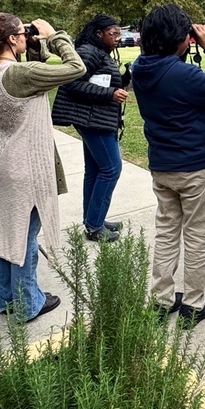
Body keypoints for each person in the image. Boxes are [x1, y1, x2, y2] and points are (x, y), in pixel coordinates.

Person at [0, 13, 85, 321]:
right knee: (25, 235)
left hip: (4, 159)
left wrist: (34, 43)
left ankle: (4, 298)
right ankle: (28, 303)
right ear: (11, 39)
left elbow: (35, 71)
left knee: (5, 231)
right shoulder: (21, 74)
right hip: (26, 165)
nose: (27, 35)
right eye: (23, 32)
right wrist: (54, 35)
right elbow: (76, 67)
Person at [131, 4, 205, 326]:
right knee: (197, 235)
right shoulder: (182, 73)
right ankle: (193, 304)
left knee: (166, 232)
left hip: (162, 165)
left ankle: (161, 300)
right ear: (179, 38)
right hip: (194, 166)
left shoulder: (140, 68)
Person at [51, 15, 128, 243]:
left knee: (95, 170)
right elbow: (73, 83)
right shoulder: (88, 51)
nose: (117, 39)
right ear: (98, 33)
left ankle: (94, 220)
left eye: (118, 35)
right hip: (92, 120)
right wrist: (110, 94)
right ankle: (94, 226)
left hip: (95, 118)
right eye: (113, 34)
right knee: (111, 169)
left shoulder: (97, 52)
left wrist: (124, 79)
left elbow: (98, 80)